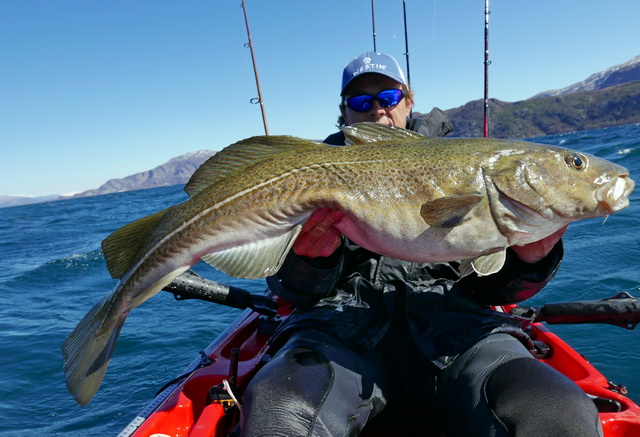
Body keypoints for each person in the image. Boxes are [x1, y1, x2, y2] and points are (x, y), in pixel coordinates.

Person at [241, 52, 602, 436]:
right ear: (344, 112)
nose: (377, 109)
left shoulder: (470, 166)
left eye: (388, 97)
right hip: (338, 330)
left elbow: (492, 290)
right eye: (361, 101)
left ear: (408, 102)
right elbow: (292, 290)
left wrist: (529, 262)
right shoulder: (310, 173)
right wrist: (311, 261)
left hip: (459, 329)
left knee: (559, 412)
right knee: (279, 410)